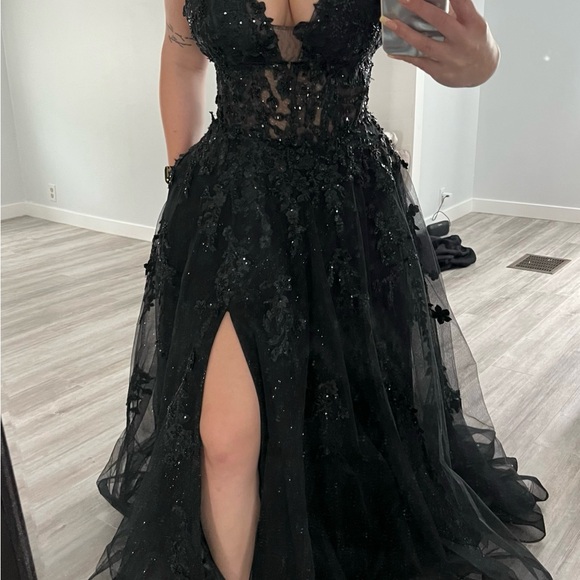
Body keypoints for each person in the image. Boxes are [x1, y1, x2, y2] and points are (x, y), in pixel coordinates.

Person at [89, 0, 552, 578]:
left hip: (351, 208)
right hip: (234, 207)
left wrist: (483, 61)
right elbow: (182, 57)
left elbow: (444, 43)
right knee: (225, 440)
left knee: (350, 410)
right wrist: (181, 179)